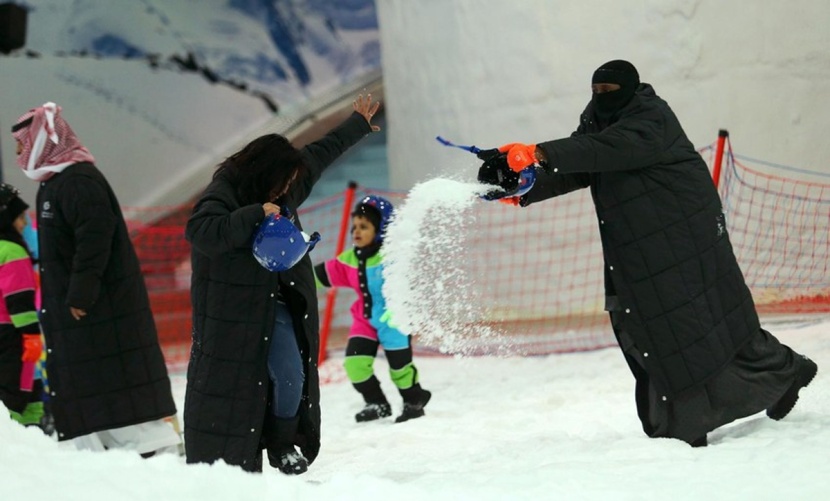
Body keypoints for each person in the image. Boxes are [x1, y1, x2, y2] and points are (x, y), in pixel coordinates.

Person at [476, 60, 818, 447]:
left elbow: (608, 149)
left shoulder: (651, 118)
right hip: (641, 242)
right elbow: (584, 165)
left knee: (695, 324)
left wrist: (538, 152)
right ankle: (755, 388)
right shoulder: (596, 120)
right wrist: (524, 187)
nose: (602, 98)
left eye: (609, 91)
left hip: (683, 234)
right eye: (597, 90)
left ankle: (753, 389)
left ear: (631, 88)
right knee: (656, 325)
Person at [185, 94, 381, 474]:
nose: (287, 189)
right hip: (232, 314)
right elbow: (202, 231)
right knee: (236, 389)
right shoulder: (223, 191)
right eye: (283, 183)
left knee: (291, 372)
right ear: (263, 174)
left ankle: (283, 442)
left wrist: (356, 124)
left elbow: (317, 154)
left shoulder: (282, 185)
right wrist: (254, 214)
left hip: (276, 302)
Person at [11, 102, 180, 456]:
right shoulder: (54, 183)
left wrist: (79, 295)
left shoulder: (79, 182)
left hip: (98, 311)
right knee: (89, 383)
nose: (17, 154)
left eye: (22, 144)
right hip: (78, 314)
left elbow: (95, 240)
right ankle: (103, 454)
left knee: (115, 382)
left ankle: (154, 454)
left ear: (43, 141)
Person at [314, 195, 431, 424]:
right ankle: (377, 403)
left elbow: (411, 283)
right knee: (355, 364)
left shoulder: (392, 257)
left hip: (393, 320)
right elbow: (319, 275)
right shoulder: (349, 259)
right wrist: (288, 276)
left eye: (364, 227)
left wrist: (402, 306)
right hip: (364, 320)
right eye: (354, 226)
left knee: (399, 368)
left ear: (380, 229)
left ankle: (414, 400)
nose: (356, 231)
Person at [0, 183, 46, 430]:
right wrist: (31, 336)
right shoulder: (13, 251)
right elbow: (19, 300)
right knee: (23, 391)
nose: (25, 224)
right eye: (20, 218)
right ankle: (28, 439)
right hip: (12, 335)